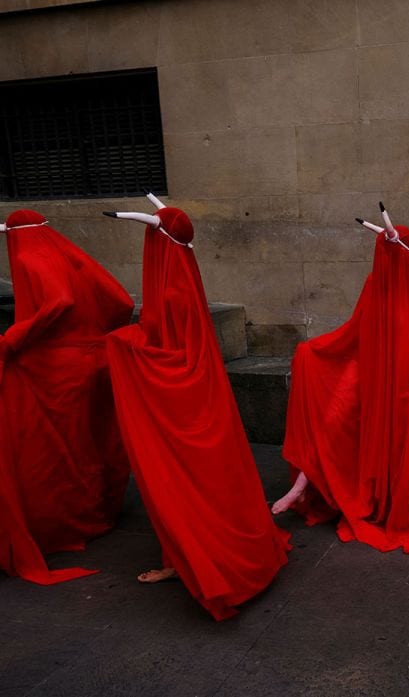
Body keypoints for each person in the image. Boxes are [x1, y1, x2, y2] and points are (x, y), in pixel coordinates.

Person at [104, 197, 290, 620]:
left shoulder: (173, 287)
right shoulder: (183, 271)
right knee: (196, 482)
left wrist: (122, 343)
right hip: (201, 400)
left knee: (182, 481)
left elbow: (170, 352)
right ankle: (181, 556)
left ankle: (206, 562)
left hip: (185, 405)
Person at [273, 205, 409, 555]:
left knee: (365, 425)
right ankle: (303, 482)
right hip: (364, 369)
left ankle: (317, 485)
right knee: (331, 416)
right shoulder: (375, 285)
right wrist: (315, 351)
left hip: (403, 386)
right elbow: (356, 331)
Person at [0, 209, 133, 585]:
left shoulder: (27, 256)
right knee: (92, 441)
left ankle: (76, 522)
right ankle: (98, 514)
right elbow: (122, 302)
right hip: (95, 359)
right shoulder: (72, 255)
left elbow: (59, 301)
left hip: (58, 368)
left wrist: (14, 339)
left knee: (63, 449)